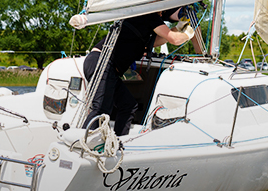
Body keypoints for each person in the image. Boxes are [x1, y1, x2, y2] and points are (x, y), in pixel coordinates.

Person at [82, 8, 193, 136]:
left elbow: (159, 40)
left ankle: (118, 140)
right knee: (101, 108)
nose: (162, 14)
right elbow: (174, 39)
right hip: (101, 62)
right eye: (162, 11)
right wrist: (187, 34)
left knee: (128, 105)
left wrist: (178, 29)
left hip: (105, 66)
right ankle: (81, 140)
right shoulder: (149, 14)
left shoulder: (143, 25)